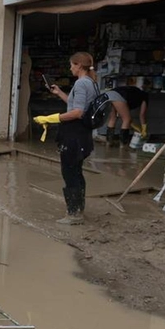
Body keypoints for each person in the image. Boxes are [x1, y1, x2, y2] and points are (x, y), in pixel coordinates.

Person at [41, 51, 102, 225]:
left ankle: (74, 214)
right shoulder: (91, 82)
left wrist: (52, 118)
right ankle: (78, 210)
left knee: (70, 173)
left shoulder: (82, 83)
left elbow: (78, 112)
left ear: (79, 66)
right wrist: (59, 93)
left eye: (71, 65)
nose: (70, 68)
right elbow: (76, 105)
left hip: (74, 135)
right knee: (76, 171)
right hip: (82, 135)